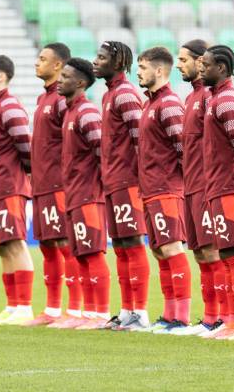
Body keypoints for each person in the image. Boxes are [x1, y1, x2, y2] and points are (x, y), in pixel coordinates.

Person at [24, 43, 84, 327]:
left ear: (58, 65)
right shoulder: (43, 99)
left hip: (60, 183)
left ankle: (74, 309)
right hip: (42, 184)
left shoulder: (62, 100)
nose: (37, 63)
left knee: (65, 243)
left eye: (43, 59)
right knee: (48, 244)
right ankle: (51, 308)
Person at [92, 41, 150, 331]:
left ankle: (140, 311)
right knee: (121, 246)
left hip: (128, 180)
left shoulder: (126, 94)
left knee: (133, 242)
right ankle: (127, 310)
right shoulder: (110, 94)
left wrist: (140, 176)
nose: (95, 61)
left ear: (117, 62)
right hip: (113, 180)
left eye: (101, 57)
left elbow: (141, 137)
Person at [135, 47, 192, 334]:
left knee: (171, 246)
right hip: (151, 189)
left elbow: (184, 147)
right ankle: (170, 313)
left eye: (143, 67)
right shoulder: (150, 104)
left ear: (159, 71)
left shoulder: (169, 103)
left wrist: (177, 182)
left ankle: (181, 316)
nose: (138, 71)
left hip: (166, 187)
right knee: (159, 249)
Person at [198, 45, 234, 341]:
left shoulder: (228, 99)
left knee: (233, 250)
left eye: (205, 65)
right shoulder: (215, 99)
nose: (201, 69)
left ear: (221, 67)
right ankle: (232, 320)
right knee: (224, 251)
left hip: (229, 186)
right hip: (217, 185)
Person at [175, 39, 226, 336]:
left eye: (185, 60)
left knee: (213, 252)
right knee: (199, 252)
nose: (180, 65)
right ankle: (210, 317)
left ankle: (221, 317)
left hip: (209, 185)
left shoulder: (209, 96)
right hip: (191, 185)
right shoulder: (193, 97)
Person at [0, 55, 35, 326]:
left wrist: (28, 173)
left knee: (15, 243)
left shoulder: (10, 106)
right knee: (2, 247)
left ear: (1, 76)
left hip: (9, 185)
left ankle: (24, 307)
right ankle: (12, 305)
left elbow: (25, 144)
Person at [57, 58, 111, 330]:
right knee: (80, 253)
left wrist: (99, 186)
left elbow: (103, 152)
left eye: (65, 76)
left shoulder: (87, 112)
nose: (59, 79)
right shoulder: (69, 112)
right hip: (75, 193)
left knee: (92, 252)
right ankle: (88, 313)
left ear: (80, 83)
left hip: (89, 193)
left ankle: (100, 313)